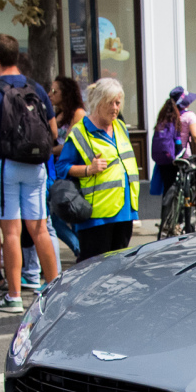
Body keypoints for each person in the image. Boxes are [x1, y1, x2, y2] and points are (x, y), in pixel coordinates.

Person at [0, 34, 59, 315]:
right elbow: (54, 132)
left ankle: (13, 295)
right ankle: (54, 289)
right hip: (36, 165)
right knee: (39, 229)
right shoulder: (35, 88)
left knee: (11, 231)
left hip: (4, 165)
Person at [54, 78, 140, 261]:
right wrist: (88, 169)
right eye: (110, 103)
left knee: (118, 268)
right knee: (93, 269)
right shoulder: (80, 132)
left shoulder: (120, 127)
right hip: (96, 216)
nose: (115, 108)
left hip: (125, 211)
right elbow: (61, 167)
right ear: (98, 102)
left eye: (118, 103)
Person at [46, 75, 83, 259]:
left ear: (66, 93)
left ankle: (82, 252)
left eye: (55, 91)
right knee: (55, 217)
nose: (50, 95)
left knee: (72, 214)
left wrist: (46, 150)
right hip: (56, 170)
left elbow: (69, 145)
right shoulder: (57, 114)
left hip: (72, 171)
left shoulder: (78, 113)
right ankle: (81, 250)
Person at [150, 94, 185, 201]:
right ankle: (173, 213)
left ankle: (165, 214)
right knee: (173, 186)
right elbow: (178, 140)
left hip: (160, 160)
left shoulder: (160, 122)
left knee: (166, 185)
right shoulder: (175, 122)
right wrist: (181, 154)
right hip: (171, 159)